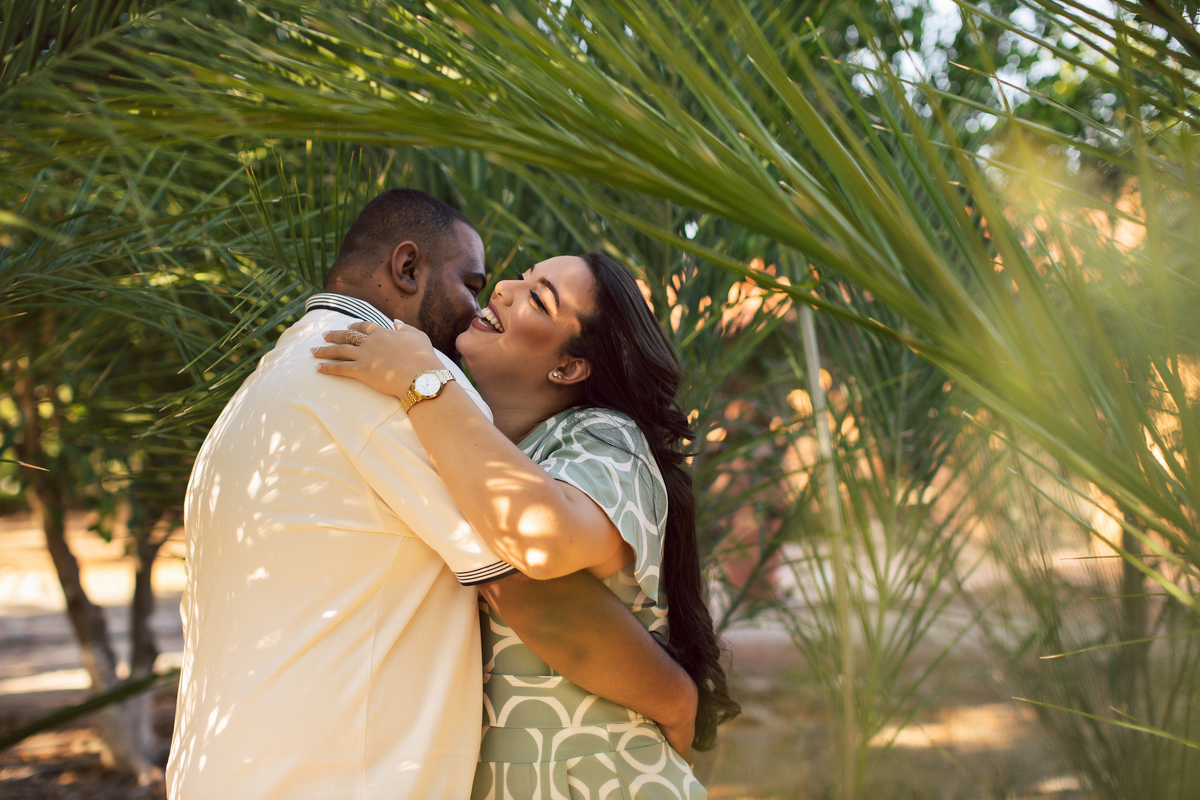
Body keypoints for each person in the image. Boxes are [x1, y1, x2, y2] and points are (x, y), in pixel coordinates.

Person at [165, 190, 698, 799]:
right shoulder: (388, 382)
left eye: (533, 295)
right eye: (477, 280)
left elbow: (537, 555)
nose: (492, 294)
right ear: (408, 268)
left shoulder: (269, 389)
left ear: (572, 366)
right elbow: (531, 595)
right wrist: (676, 698)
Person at [312, 251, 740, 797]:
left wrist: (422, 378)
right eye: (523, 277)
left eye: (539, 297)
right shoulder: (476, 445)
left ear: (567, 368)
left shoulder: (604, 438)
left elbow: (540, 539)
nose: (504, 289)